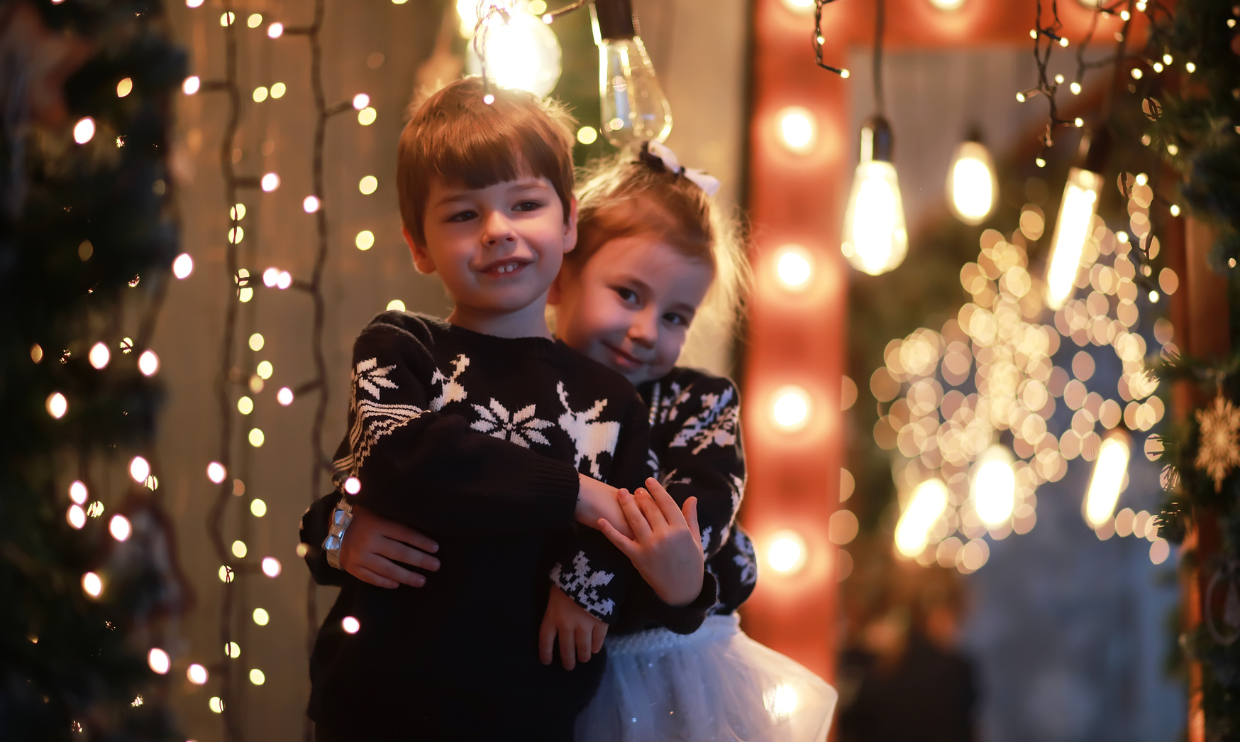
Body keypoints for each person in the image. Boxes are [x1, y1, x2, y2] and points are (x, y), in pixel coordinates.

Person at [305, 139, 837, 741]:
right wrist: (335, 530)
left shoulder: (693, 402)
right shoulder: (504, 378)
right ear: (561, 274)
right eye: (628, 294)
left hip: (655, 670)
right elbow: (418, 477)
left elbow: (686, 521)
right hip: (524, 678)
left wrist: (592, 578)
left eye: (676, 317)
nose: (646, 331)